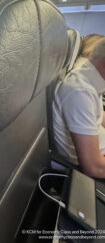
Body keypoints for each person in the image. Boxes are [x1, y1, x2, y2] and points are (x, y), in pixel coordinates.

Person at [53, 36, 105, 178]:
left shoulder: (91, 81)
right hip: (91, 171)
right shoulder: (80, 92)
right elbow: (94, 167)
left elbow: (100, 116)